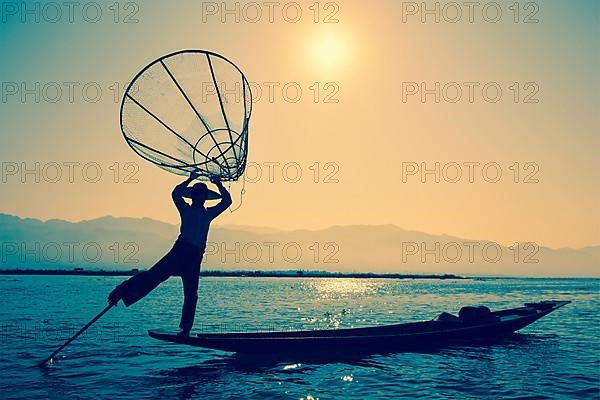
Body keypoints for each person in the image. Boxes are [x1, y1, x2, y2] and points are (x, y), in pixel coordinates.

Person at [108, 172, 232, 336]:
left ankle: (185, 329)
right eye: (196, 194)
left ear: (204, 198)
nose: (198, 197)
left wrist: (219, 184)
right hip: (179, 252)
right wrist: (190, 179)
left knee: (191, 294)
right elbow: (175, 193)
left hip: (194, 258)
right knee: (152, 276)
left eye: (201, 195)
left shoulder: (208, 213)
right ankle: (119, 293)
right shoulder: (185, 209)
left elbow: (228, 201)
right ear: (193, 196)